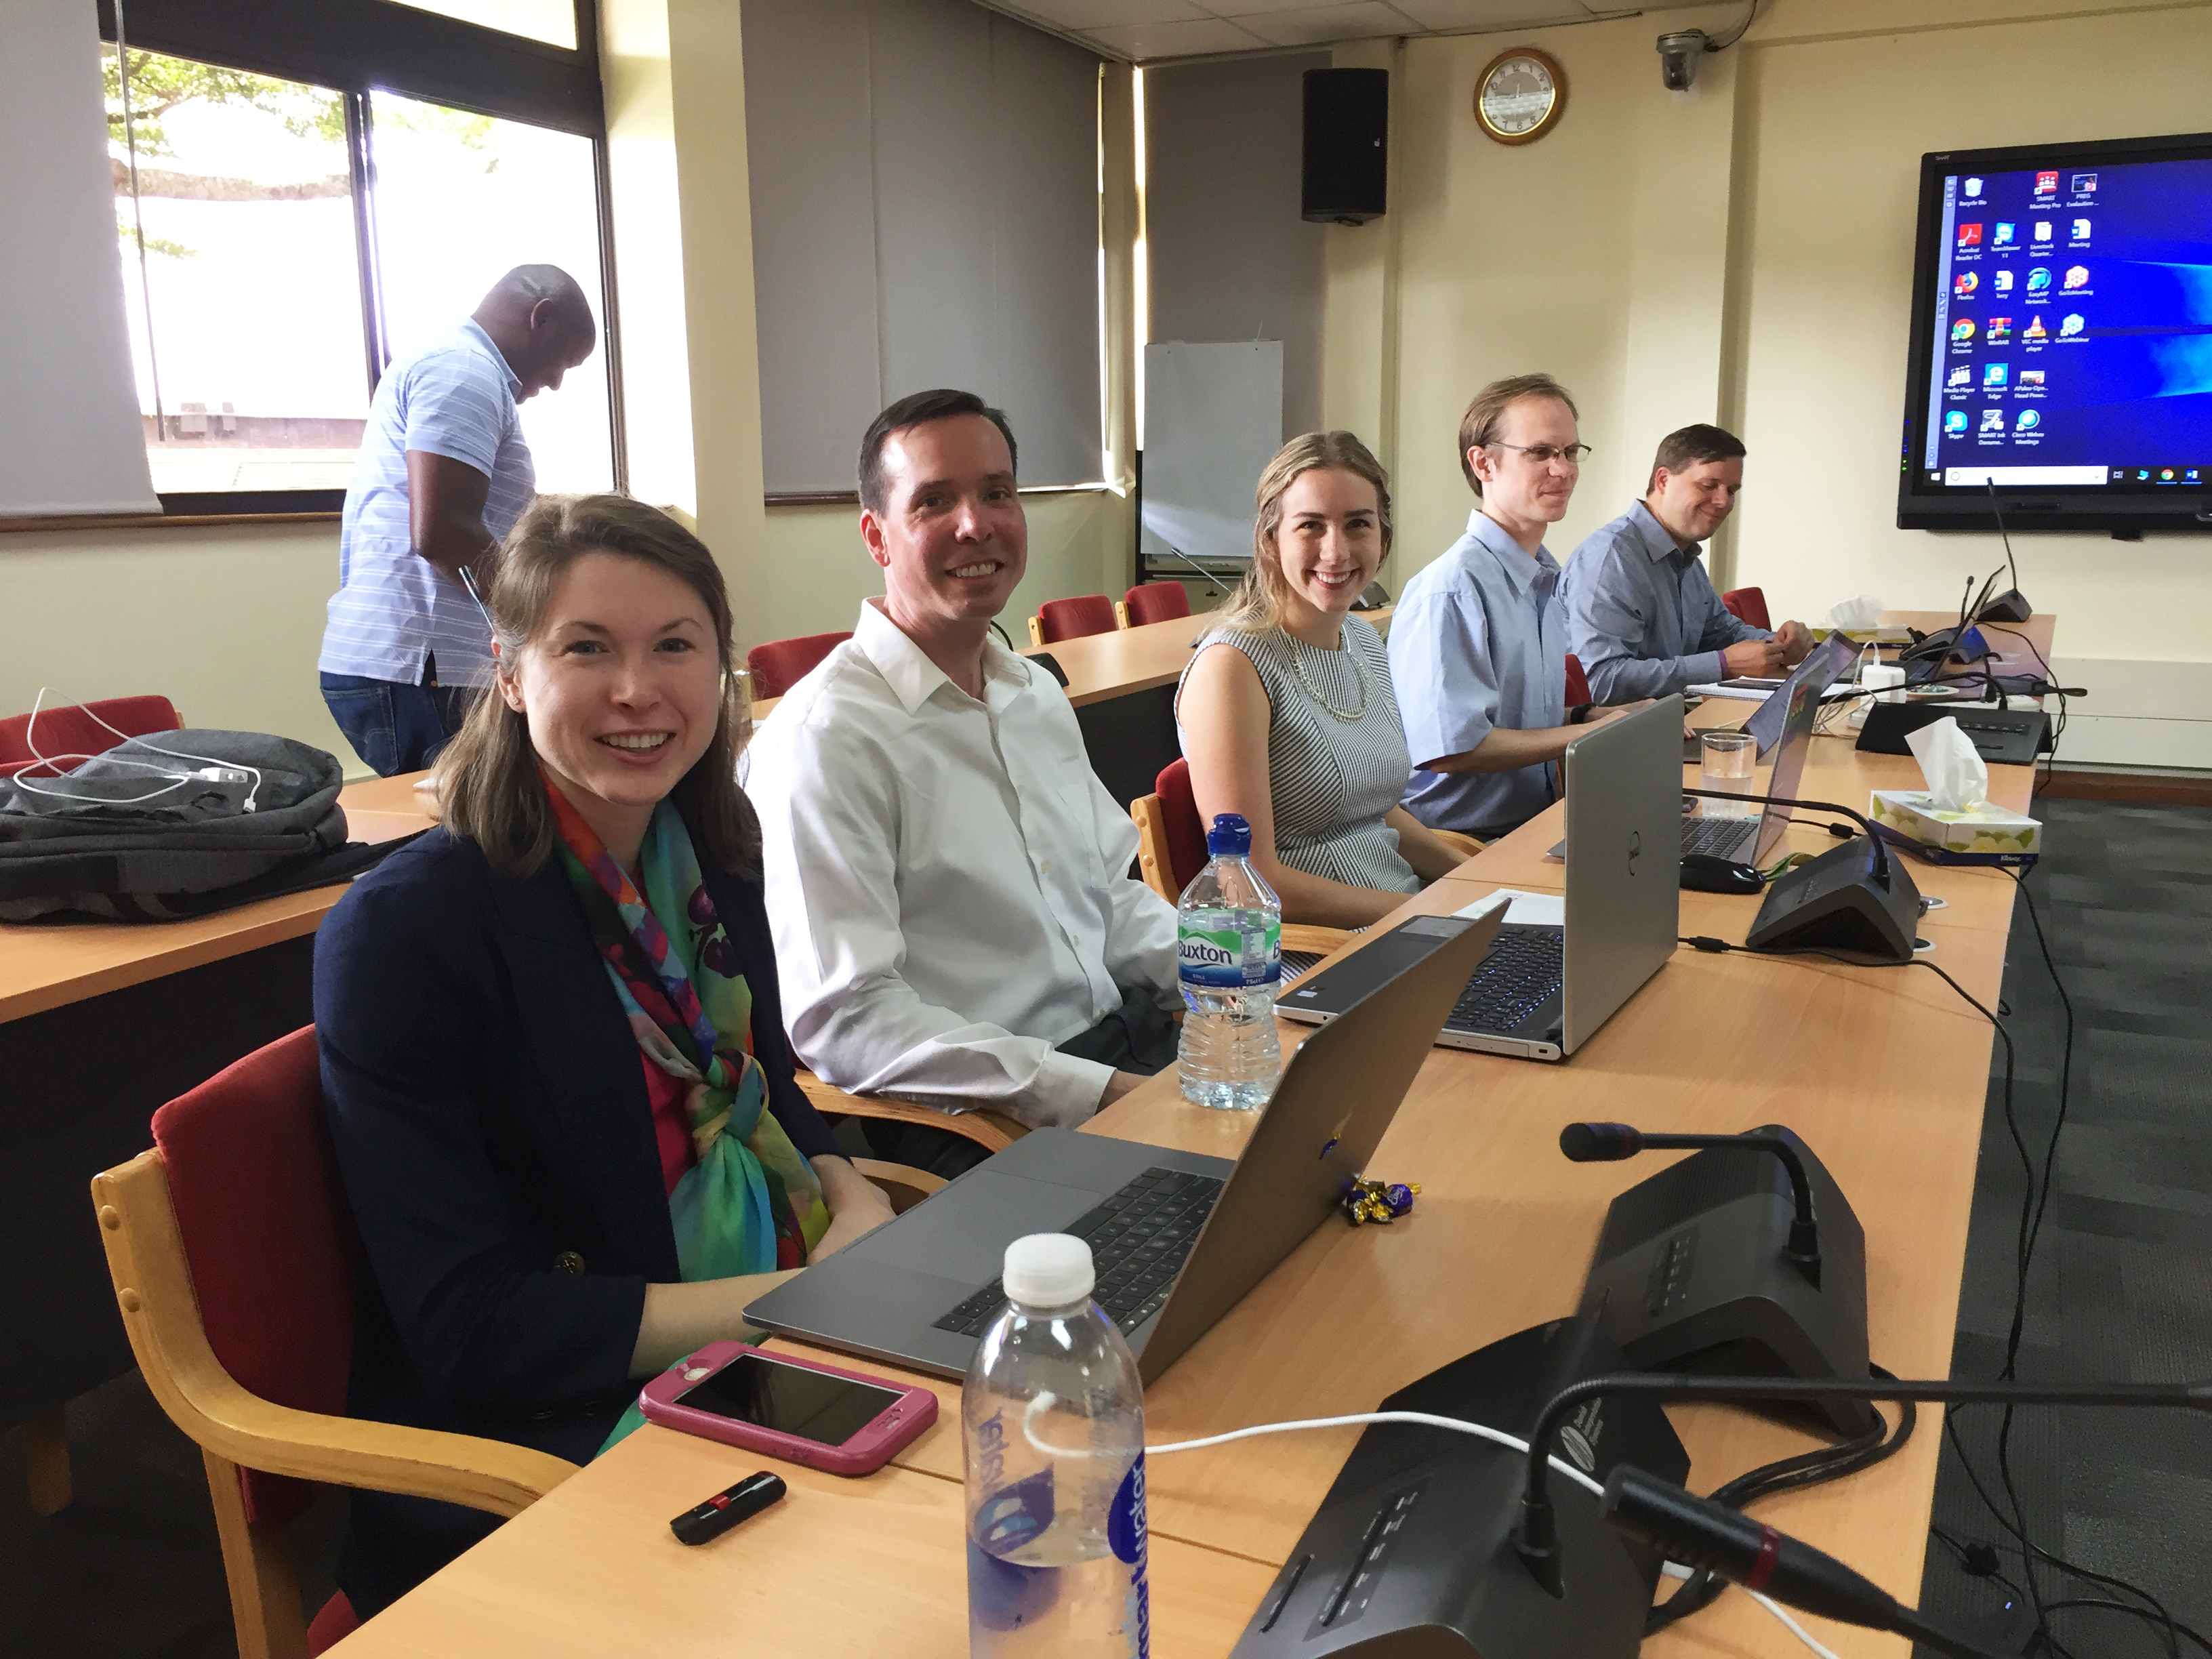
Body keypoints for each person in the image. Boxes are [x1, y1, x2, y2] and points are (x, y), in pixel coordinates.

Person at [314, 493, 897, 1616]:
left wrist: (846, 1185)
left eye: (674, 645)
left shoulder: (711, 855)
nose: (637, 691)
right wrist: (810, 1294)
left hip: (786, 1325)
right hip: (542, 1438)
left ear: (719, 667)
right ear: (510, 670)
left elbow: (772, 1092)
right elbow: (475, 1327)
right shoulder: (407, 932)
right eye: (586, 647)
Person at [743, 390, 1180, 1169]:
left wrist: (1243, 986)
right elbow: (847, 1020)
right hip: (986, 1121)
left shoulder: (1034, 693)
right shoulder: (828, 739)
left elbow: (1110, 895)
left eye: (997, 493)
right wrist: (1092, 1091)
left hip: (1131, 1049)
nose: (975, 523)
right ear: (877, 536)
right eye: (934, 501)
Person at [1174, 432, 1471, 929]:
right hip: (1314, 953)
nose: (1336, 551)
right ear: (1271, 540)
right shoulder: (1231, 668)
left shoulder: (1363, 638)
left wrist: (1480, 882)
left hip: (1403, 921)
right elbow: (1248, 882)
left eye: (1358, 524)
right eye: (1311, 526)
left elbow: (1375, 807)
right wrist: (1427, 913)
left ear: (1384, 538)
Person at [319, 265, 599, 777]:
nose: (556, 382)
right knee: (470, 837)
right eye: (564, 360)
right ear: (542, 317)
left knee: (470, 828)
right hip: (423, 668)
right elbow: (444, 534)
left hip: (408, 663)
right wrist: (542, 621)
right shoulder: (464, 370)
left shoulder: (457, 365)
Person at [1388, 374, 1644, 842]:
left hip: (1533, 826)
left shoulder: (1541, 575)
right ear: (1484, 463)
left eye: (1570, 452)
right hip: (1462, 845)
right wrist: (1597, 739)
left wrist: (1589, 717)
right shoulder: (1453, 589)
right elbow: (1453, 750)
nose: (1563, 469)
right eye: (1541, 452)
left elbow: (1517, 723)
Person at [1561, 422, 1814, 702]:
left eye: (1732, 490)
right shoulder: (1611, 560)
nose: (1723, 502)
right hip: (1618, 737)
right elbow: (1599, 681)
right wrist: (1724, 665)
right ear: (1663, 481)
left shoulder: (1685, 555)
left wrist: (1779, 643)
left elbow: (1719, 632)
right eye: (1709, 485)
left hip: (1668, 721)